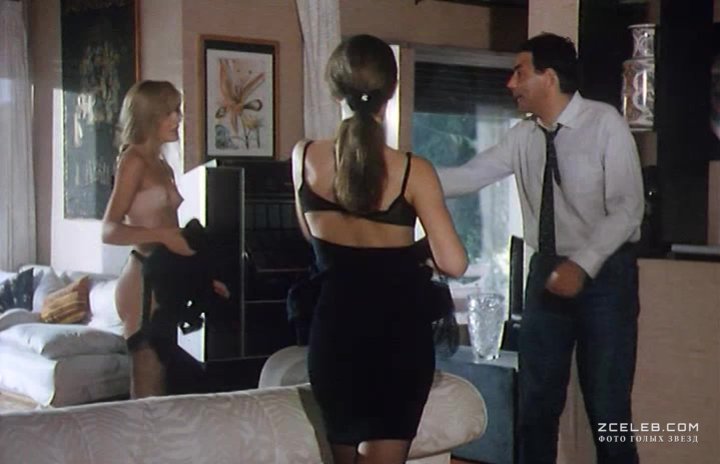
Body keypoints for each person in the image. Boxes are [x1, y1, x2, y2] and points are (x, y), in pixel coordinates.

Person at [438, 33, 644, 464]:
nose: (510, 84)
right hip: (545, 274)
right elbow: (468, 176)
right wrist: (403, 174)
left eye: (519, 73)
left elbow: (628, 209)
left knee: (608, 408)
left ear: (548, 78)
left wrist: (582, 265)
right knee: (535, 404)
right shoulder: (522, 137)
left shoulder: (604, 124)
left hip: (605, 275)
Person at [290, 34, 467, 464]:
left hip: (335, 335)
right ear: (391, 91)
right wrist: (411, 253)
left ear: (335, 91)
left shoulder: (304, 157)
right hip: (396, 340)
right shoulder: (412, 171)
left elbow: (311, 237)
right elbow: (454, 263)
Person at [102, 80, 227, 398]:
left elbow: (173, 231)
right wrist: (163, 237)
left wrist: (202, 277)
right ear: (147, 118)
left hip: (167, 277)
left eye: (178, 111)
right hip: (142, 282)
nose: (177, 119)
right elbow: (109, 230)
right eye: (168, 113)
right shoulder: (133, 161)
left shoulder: (163, 166)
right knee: (149, 393)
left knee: (166, 388)